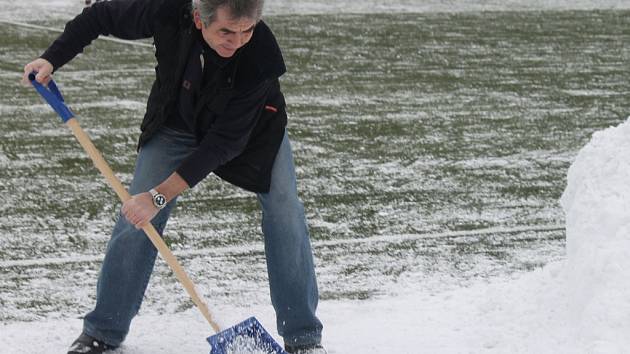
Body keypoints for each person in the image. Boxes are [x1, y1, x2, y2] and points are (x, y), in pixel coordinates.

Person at [22, 0, 326, 353]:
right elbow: (99, 16)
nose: (237, 40)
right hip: (177, 123)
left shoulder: (261, 55)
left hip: (251, 133)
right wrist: (52, 57)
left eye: (247, 30)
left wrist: (159, 196)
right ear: (199, 18)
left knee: (285, 211)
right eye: (226, 31)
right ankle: (102, 331)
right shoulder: (167, 12)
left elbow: (221, 146)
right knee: (134, 215)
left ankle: (303, 337)